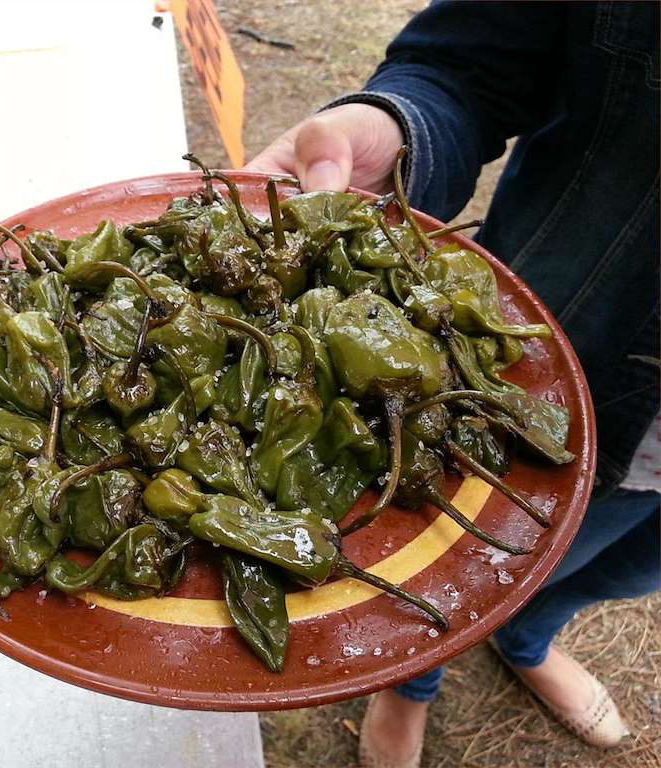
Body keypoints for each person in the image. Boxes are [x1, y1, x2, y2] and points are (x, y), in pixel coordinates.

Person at [246, 2, 660, 766]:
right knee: (457, 560)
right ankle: (411, 684)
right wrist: (398, 132)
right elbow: (469, 65)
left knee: (615, 569)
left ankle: (528, 640)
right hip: (540, 364)